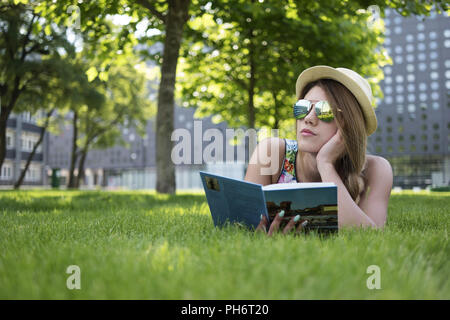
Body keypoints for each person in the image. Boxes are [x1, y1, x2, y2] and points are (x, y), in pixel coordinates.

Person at [244, 65, 393, 236]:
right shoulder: (271, 152)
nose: (308, 118)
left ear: (349, 124)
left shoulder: (377, 169)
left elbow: (370, 236)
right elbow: (244, 222)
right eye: (303, 107)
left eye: (325, 110)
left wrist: (326, 164)